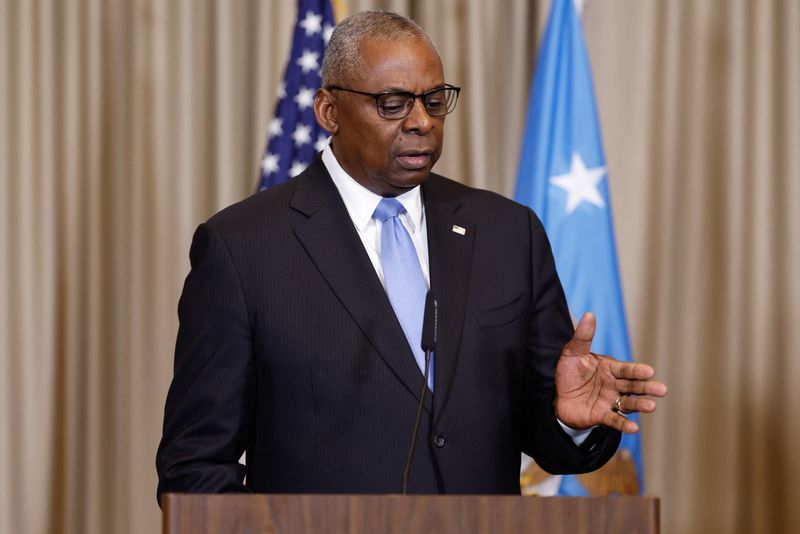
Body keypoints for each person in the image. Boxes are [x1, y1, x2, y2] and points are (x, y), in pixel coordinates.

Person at [156, 10, 667, 503]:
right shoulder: (243, 246)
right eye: (393, 103)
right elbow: (196, 468)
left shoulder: (509, 234)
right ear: (328, 111)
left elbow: (541, 434)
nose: (422, 122)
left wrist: (564, 417)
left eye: (434, 100)